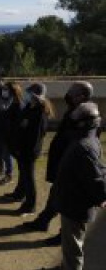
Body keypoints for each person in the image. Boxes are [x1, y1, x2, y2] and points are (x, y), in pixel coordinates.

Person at [23, 81, 94, 246]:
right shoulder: (74, 111)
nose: (67, 95)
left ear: (81, 96)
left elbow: (81, 144)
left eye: (72, 92)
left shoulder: (85, 115)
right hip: (63, 163)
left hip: (71, 167)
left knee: (65, 201)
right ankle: (44, 221)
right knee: (56, 195)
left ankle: (61, 233)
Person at [55, 102, 106, 270]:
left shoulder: (84, 146)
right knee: (71, 245)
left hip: (75, 205)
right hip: (73, 202)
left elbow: (95, 178)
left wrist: (101, 196)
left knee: (73, 250)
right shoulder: (91, 140)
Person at [8, 83, 53, 216]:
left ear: (35, 95)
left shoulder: (39, 112)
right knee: (24, 175)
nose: (26, 95)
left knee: (29, 178)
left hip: (29, 151)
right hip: (23, 148)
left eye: (29, 93)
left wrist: (25, 150)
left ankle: (30, 205)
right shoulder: (30, 107)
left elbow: (36, 136)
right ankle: (22, 196)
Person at [0, 81, 19, 184]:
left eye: (6, 89)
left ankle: (9, 174)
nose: (4, 91)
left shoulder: (15, 102)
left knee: (7, 154)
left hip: (8, 132)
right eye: (3, 89)